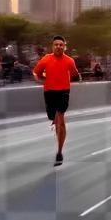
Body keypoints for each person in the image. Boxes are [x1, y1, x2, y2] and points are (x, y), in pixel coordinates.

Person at [32, 36, 80, 165]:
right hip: (49, 92)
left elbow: (75, 75)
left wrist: (75, 78)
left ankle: (59, 152)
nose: (58, 46)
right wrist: (39, 77)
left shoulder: (69, 61)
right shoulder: (46, 59)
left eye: (61, 45)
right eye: (56, 44)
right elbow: (36, 72)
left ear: (64, 46)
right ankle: (54, 120)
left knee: (60, 119)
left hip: (64, 92)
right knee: (51, 116)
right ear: (52, 46)